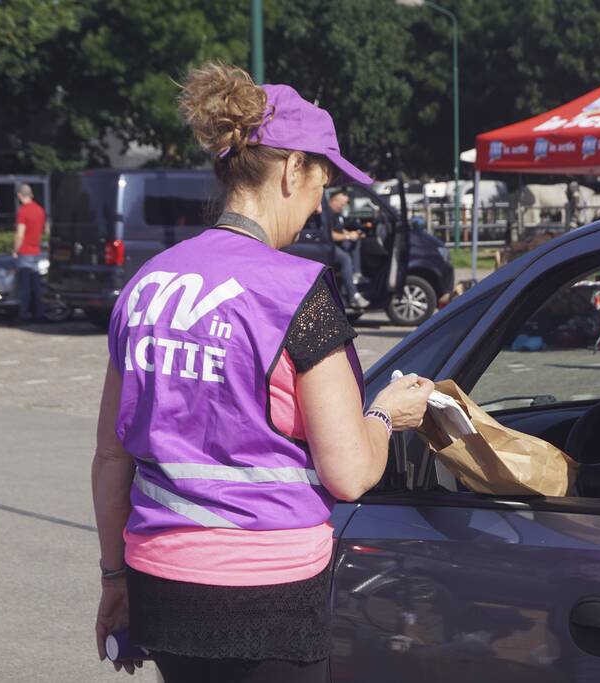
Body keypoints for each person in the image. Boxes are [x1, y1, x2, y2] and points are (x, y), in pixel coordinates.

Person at [91, 62, 433, 682]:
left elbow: (113, 457)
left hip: (159, 578)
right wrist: (387, 412)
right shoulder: (295, 292)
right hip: (267, 588)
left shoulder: (145, 283)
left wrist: (114, 577)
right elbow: (351, 472)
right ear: (292, 169)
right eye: (319, 186)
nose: (315, 207)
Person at [323, 192, 370, 308]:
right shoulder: (327, 213)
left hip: (334, 244)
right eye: (342, 204)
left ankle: (356, 273)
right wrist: (348, 236)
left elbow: (339, 230)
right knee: (345, 259)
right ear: (334, 201)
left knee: (355, 242)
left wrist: (352, 234)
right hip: (326, 245)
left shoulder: (336, 215)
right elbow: (330, 235)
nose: (343, 207)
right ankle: (353, 295)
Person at [12, 183, 46, 321]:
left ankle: (24, 314)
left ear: (20, 196)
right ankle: (39, 313)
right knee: (36, 285)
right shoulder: (40, 210)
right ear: (31, 194)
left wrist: (15, 250)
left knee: (24, 286)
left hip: (25, 251)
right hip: (36, 251)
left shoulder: (23, 211)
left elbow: (20, 234)